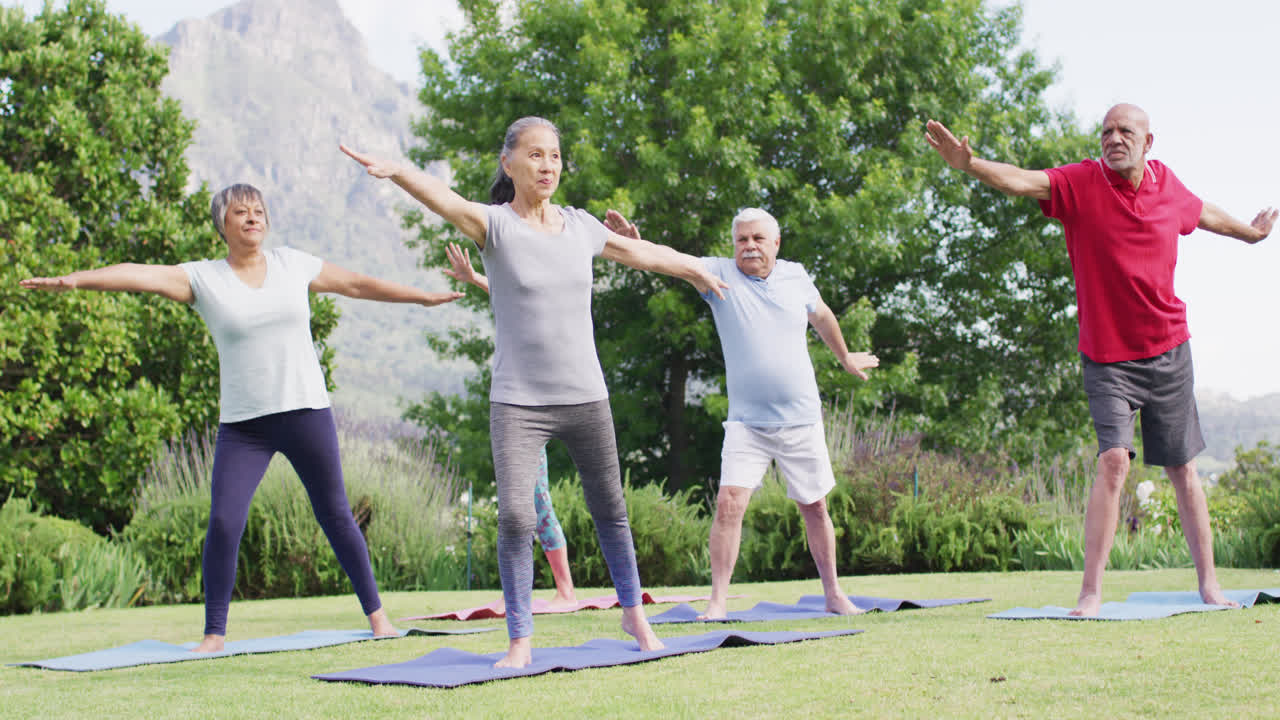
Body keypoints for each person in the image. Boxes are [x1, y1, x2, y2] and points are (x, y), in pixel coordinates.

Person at [341, 115, 728, 668]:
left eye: (555, 156)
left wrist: (696, 271)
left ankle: (634, 615)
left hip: (586, 395)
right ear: (509, 163)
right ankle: (520, 637)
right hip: (518, 403)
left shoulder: (581, 226)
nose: (547, 165)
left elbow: (645, 254)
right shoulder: (495, 226)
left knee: (610, 509)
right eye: (535, 155)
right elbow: (443, 199)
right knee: (517, 519)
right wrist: (397, 170)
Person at [20, 183, 464, 651]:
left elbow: (356, 283)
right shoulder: (202, 279)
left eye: (258, 210)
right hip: (245, 425)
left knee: (335, 514)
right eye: (240, 212)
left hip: (305, 411)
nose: (252, 217)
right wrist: (75, 279)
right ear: (222, 225)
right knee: (225, 521)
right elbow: (136, 274)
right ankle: (214, 634)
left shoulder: (293, 264)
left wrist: (420, 297)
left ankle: (378, 618)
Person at [925, 105, 1277, 616]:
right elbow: (1023, 182)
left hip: (1169, 349)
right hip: (1107, 357)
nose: (1114, 138)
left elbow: (1203, 214)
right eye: (1107, 131)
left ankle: (1210, 586)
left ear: (1148, 142)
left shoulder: (1167, 186)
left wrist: (1250, 233)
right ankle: (1090, 592)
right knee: (1114, 461)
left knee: (1183, 469)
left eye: (1124, 131)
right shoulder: (1081, 183)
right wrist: (971, 165)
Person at [607, 207, 879, 619]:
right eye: (741, 240)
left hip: (801, 419)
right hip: (746, 423)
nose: (749, 246)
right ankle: (717, 601)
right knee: (729, 504)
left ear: (775, 243)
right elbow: (670, 260)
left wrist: (844, 358)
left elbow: (821, 316)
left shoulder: (796, 276)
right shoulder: (718, 275)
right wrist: (635, 243)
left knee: (816, 507)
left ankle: (834, 594)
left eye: (757, 239)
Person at [443, 241, 578, 610]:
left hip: (541, 404)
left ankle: (564, 590)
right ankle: (543, 590)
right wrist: (473, 278)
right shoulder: (522, 295)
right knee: (527, 497)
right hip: (518, 404)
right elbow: (508, 293)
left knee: (534, 497)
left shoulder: (557, 297)